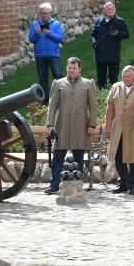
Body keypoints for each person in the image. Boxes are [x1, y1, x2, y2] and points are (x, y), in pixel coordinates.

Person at [44, 57, 97, 195]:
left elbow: (93, 106)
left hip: (81, 124)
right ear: (66, 68)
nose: (71, 70)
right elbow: (52, 105)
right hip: (62, 124)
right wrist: (50, 124)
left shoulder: (88, 84)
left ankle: (77, 184)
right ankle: (54, 185)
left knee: (78, 157)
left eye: (74, 68)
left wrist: (92, 124)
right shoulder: (58, 84)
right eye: (69, 68)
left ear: (79, 69)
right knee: (58, 156)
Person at [104, 65, 134, 195]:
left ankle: (132, 184)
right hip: (117, 127)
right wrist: (108, 128)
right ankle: (123, 183)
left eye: (128, 77)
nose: (125, 79)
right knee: (118, 156)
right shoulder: (116, 87)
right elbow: (109, 111)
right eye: (124, 76)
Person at [28, 2, 64, 104]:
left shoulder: (56, 24)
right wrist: (36, 33)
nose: (44, 15)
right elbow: (31, 39)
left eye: (46, 13)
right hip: (40, 55)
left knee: (58, 75)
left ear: (50, 13)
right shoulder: (35, 24)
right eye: (43, 13)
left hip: (53, 54)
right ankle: (46, 101)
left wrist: (50, 33)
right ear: (40, 13)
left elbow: (60, 38)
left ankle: (61, 98)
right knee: (43, 78)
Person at [90, 2, 130, 89]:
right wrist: (94, 43)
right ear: (104, 10)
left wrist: (118, 33)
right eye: (108, 9)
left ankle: (114, 95)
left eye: (112, 9)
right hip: (100, 53)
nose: (110, 11)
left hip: (113, 54)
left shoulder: (120, 21)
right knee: (101, 78)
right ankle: (102, 94)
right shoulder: (98, 21)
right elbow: (93, 35)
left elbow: (127, 34)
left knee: (113, 78)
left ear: (115, 10)